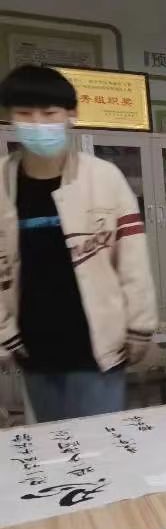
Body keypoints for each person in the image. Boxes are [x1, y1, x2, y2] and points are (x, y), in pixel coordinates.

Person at [0, 65, 157, 421]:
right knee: (56, 444)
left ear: (71, 114)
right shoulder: (3, 183)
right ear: (9, 117)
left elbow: (132, 261)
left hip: (97, 348)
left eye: (49, 113)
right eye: (25, 113)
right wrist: (5, 332)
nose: (38, 123)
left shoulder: (103, 177)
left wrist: (140, 326)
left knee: (101, 443)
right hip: (33, 348)